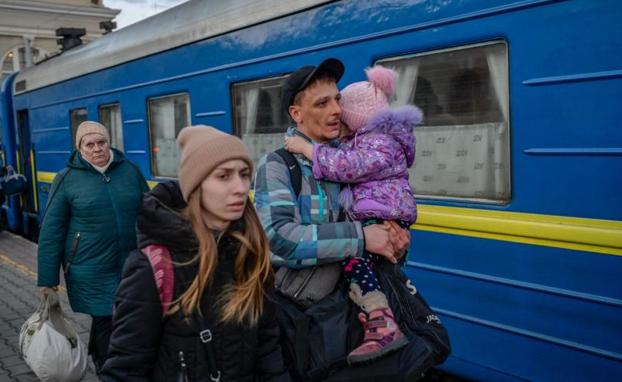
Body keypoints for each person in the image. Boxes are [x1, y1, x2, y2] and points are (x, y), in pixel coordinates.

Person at [100, 125, 289, 381]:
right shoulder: (153, 268)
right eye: (224, 176)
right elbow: (125, 370)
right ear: (196, 185)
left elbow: (268, 350)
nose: (241, 187)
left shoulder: (250, 254)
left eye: (244, 174)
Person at [253, 58, 410, 365]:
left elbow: (378, 224)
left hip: (358, 321)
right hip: (308, 324)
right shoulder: (278, 165)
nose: (337, 110)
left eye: (337, 99)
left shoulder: (355, 159)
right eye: (322, 103)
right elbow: (279, 239)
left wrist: (394, 240)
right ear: (296, 114)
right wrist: (361, 237)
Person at [37, 121, 148, 373]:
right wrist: (47, 278)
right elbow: (51, 231)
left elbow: (150, 211)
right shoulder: (67, 179)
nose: (97, 149)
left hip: (132, 261)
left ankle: (125, 365)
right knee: (105, 318)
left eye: (102, 142)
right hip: (90, 266)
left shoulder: (129, 171)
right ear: (80, 148)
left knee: (131, 315)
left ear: (109, 143)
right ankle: (107, 369)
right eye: (90, 144)